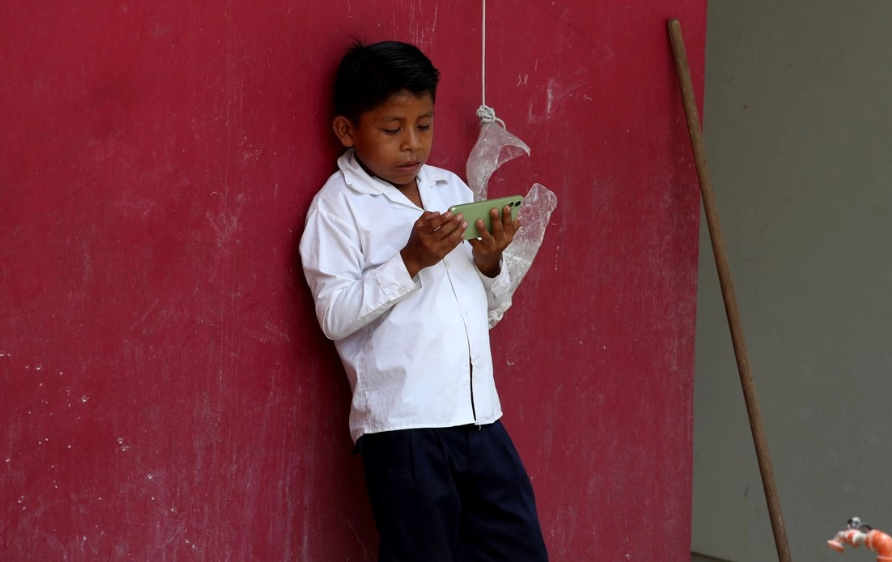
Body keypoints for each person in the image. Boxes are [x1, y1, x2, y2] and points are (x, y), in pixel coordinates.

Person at [299, 39, 548, 562]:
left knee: (519, 549)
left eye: (424, 125)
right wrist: (409, 260)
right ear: (347, 130)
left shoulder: (449, 188)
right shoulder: (338, 208)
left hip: (480, 416)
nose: (412, 144)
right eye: (392, 130)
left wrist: (490, 261)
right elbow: (334, 316)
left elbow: (489, 304)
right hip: (406, 427)